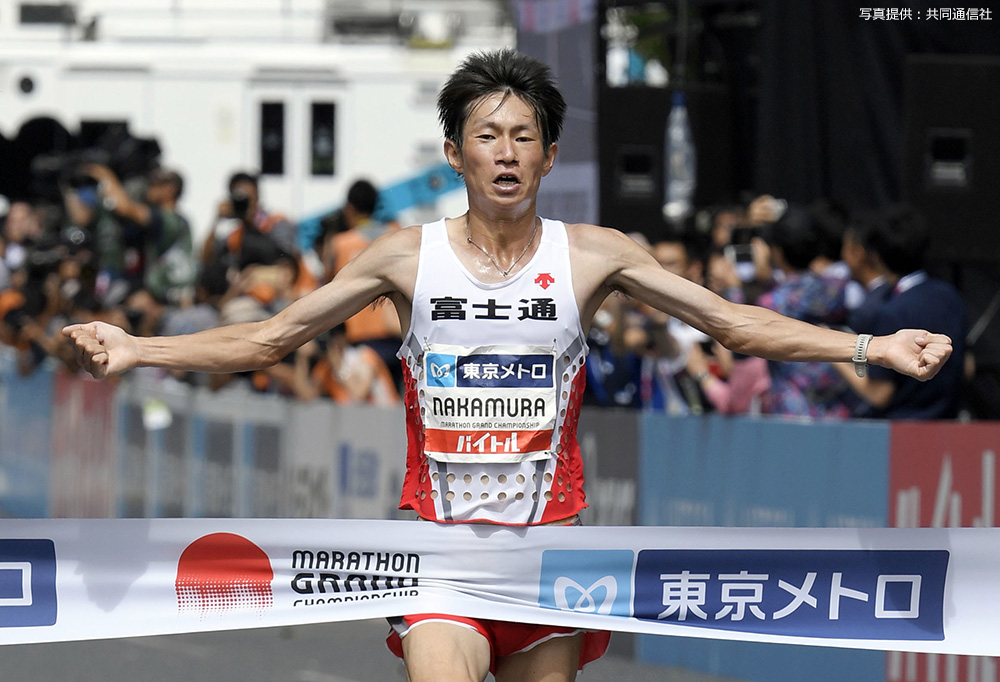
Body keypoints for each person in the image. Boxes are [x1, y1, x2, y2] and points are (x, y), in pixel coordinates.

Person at [65, 49, 953, 682]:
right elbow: (271, 339)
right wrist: (140, 349)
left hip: (551, 554)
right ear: (455, 154)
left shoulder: (595, 254)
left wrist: (868, 346)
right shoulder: (404, 257)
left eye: (525, 136)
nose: (507, 151)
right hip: (438, 550)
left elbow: (731, 323)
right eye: (487, 135)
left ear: (549, 156)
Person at [834, 204, 966, 419]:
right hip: (948, 423)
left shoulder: (891, 311)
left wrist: (835, 358)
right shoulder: (950, 296)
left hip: (902, 428)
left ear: (876, 256)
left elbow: (880, 394)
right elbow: (967, 366)